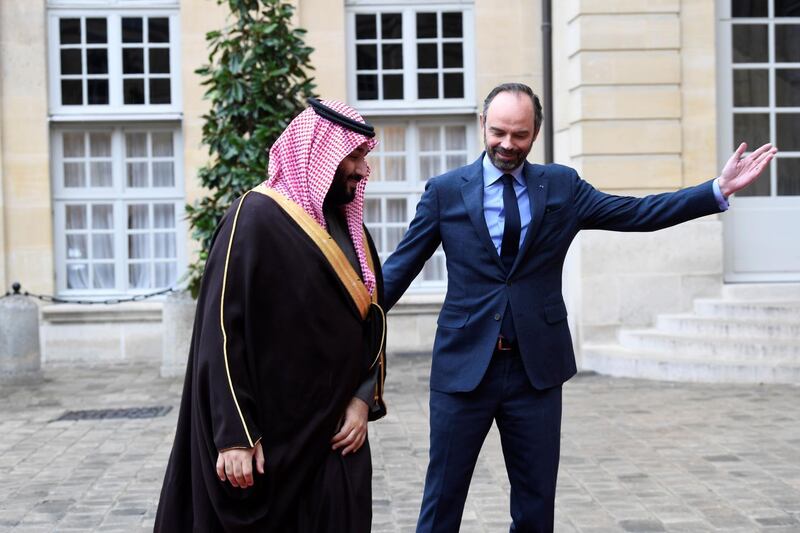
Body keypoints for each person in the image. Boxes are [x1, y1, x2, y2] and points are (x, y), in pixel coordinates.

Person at [382, 82, 777, 533]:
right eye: (498, 133)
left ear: (536, 133)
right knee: (441, 506)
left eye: (520, 135)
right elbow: (400, 269)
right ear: (482, 125)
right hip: (462, 370)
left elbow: (638, 213)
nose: (508, 145)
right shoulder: (446, 191)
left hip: (536, 373)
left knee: (535, 509)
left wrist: (715, 190)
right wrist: (351, 317)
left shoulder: (562, 187)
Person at [155, 98, 387, 533]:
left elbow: (372, 320)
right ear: (322, 154)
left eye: (362, 156)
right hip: (270, 440)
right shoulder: (253, 217)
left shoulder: (351, 230)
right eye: (352, 156)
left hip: (336, 435)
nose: (360, 169)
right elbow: (222, 334)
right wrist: (235, 435)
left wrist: (362, 399)